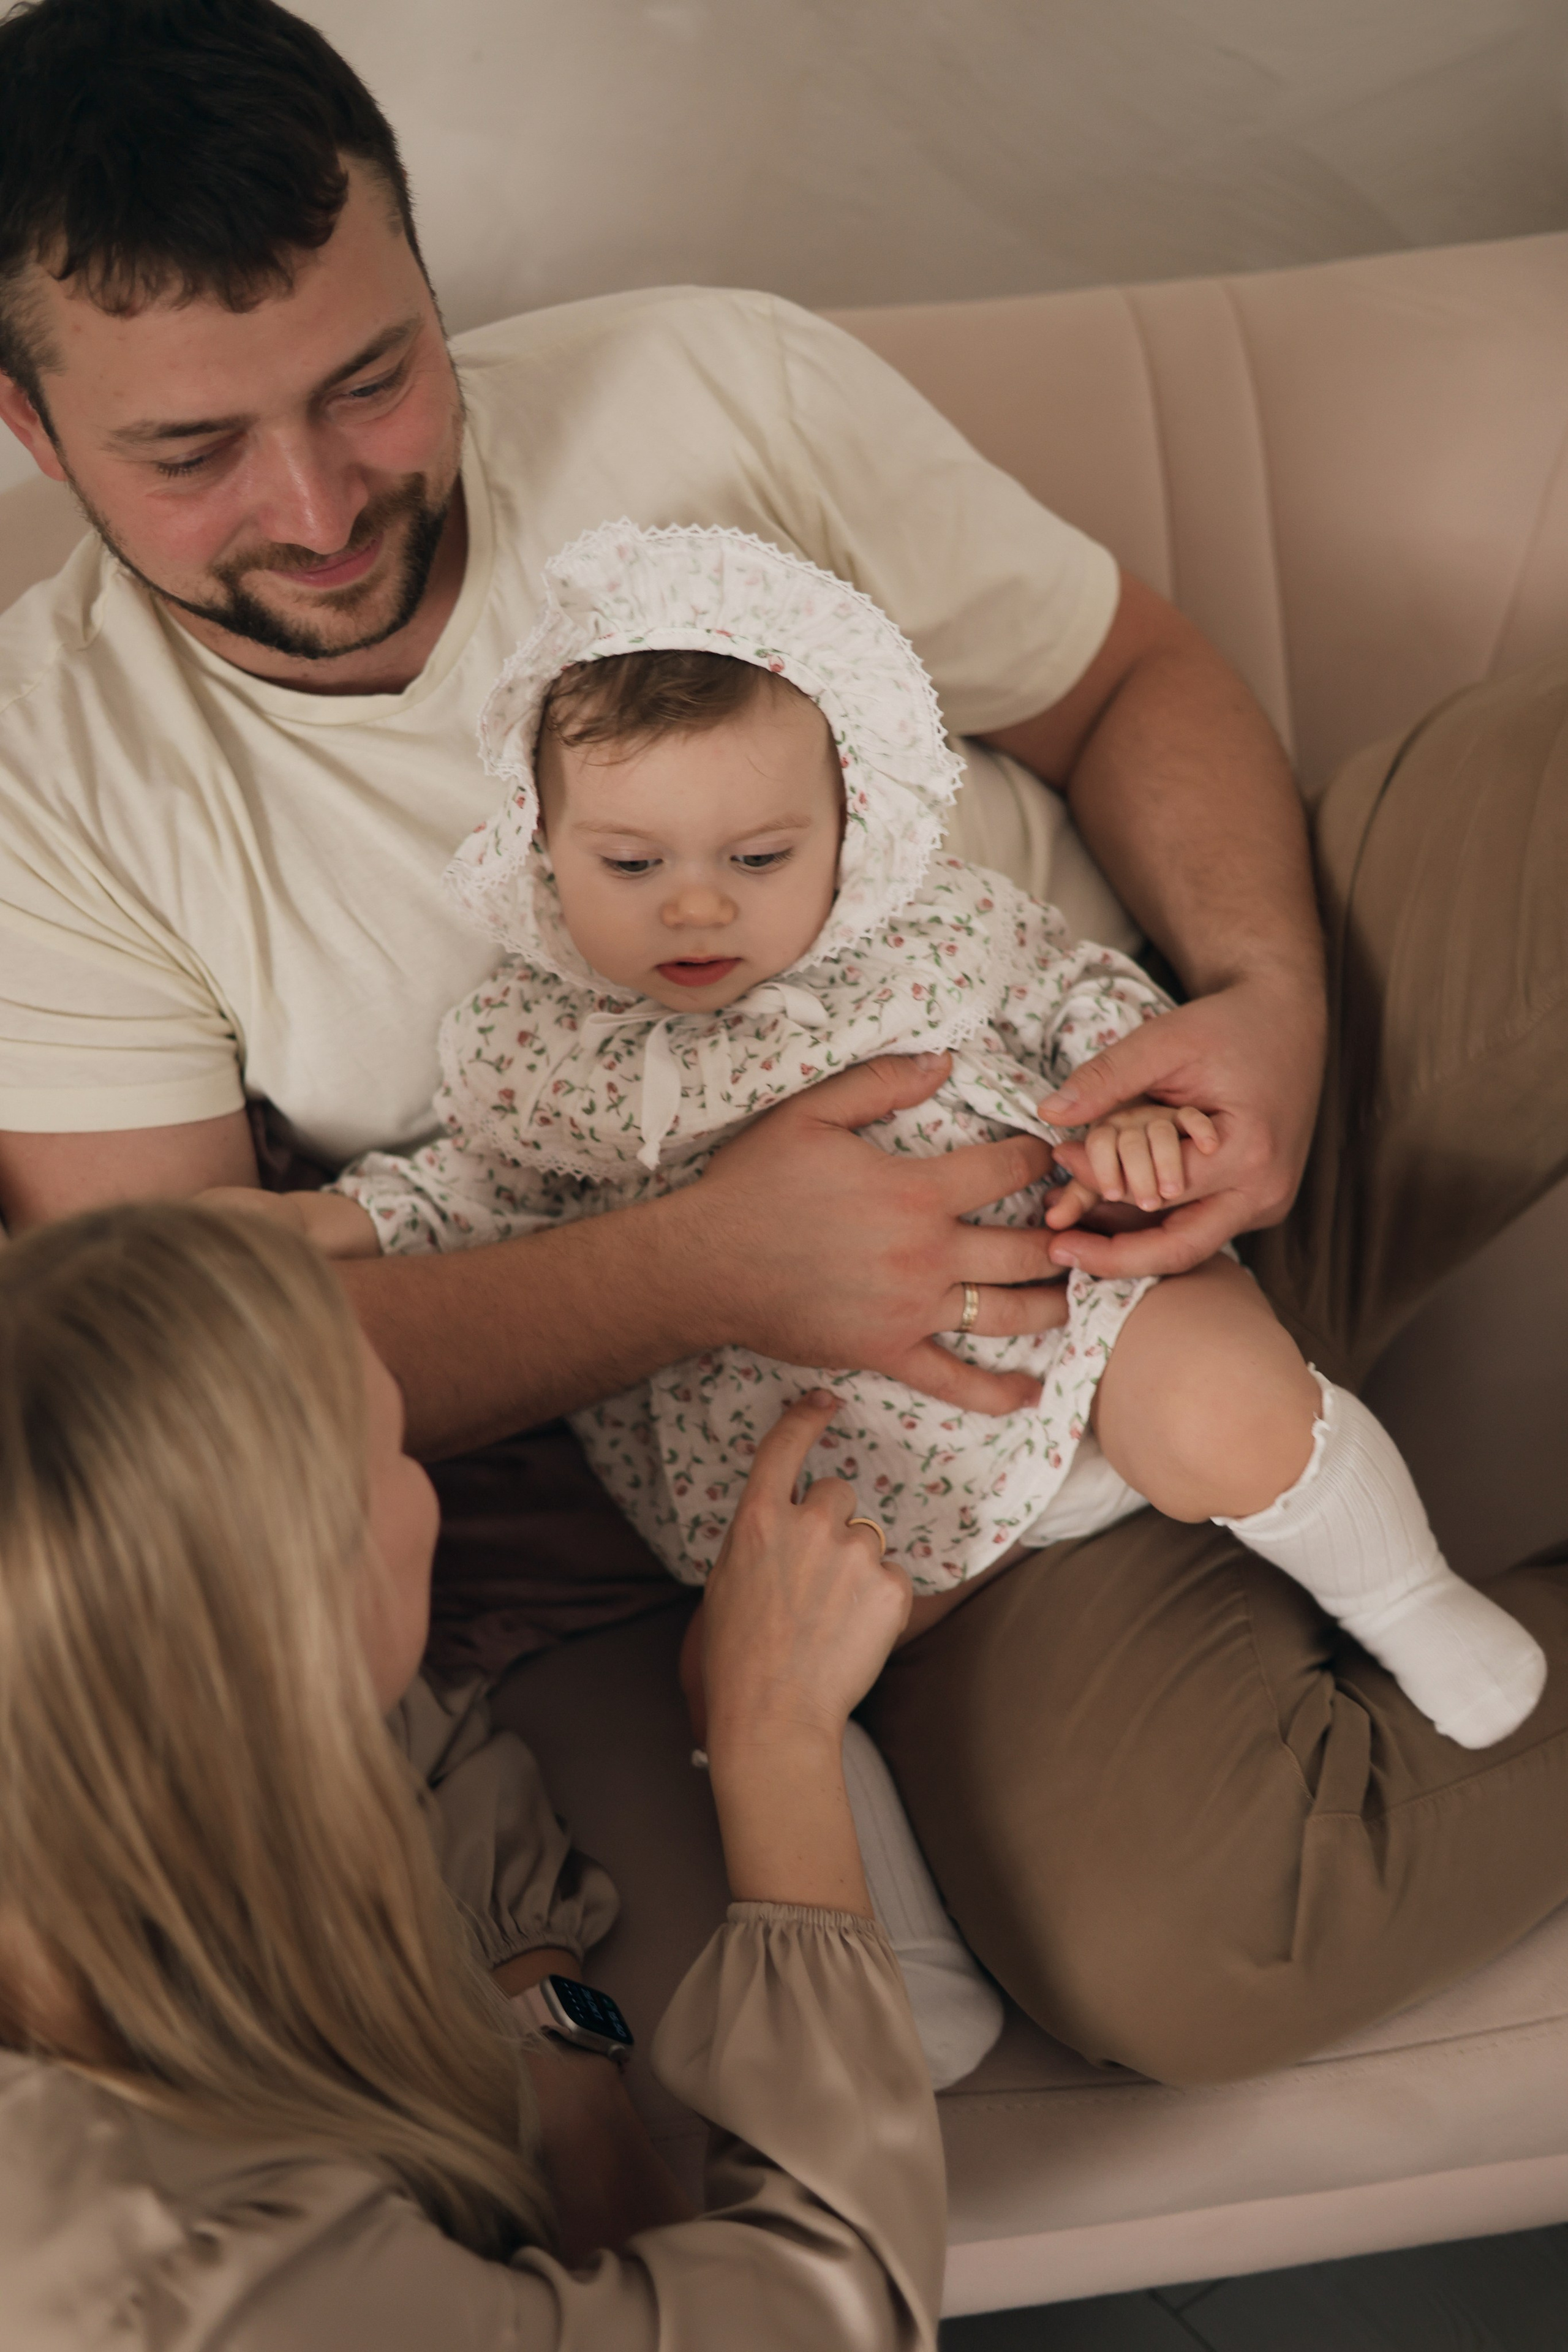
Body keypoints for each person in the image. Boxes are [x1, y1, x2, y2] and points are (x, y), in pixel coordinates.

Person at [0, 0, 1564, 2086]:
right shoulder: (50, 787)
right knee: (1204, 1950)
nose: (316, 502)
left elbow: (1125, 685)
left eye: (371, 382)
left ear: (433, 294)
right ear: (27, 434)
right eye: (191, 452)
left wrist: (1261, 1008)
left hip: (1158, 1079)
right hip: (909, 1434)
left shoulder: (707, 385)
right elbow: (192, 1381)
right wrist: (706, 1269)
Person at [237, 521, 1545, 1757]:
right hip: (814, 1455)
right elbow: (470, 1188)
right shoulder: (532, 1044)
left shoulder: (930, 929)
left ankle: (1403, 1599)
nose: (696, 906)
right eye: (629, 866)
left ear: (842, 834)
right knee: (745, 1678)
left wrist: (1134, 1109)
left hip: (1067, 1319)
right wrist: (335, 1224)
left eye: (758, 857)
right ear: (541, 852)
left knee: (1220, 1397)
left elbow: (1071, 992)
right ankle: (887, 1949)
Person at [0, 1200, 945, 2349]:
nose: (427, 1489)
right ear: (302, 1614)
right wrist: (773, 1733)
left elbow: (391, 1732)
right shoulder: (178, 2271)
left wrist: (564, 2075)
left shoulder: (79, 1694)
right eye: (398, 1448)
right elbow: (831, 2323)